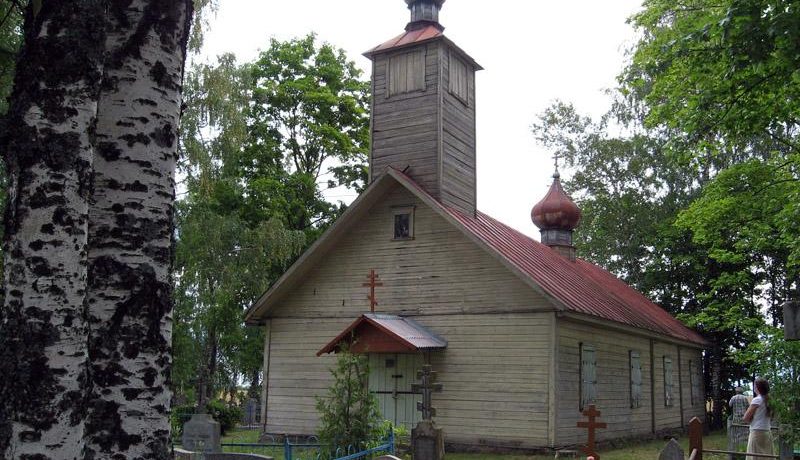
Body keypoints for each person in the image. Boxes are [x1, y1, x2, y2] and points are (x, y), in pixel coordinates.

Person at [742, 378, 773, 460]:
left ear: (757, 388)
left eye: (754, 386)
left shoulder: (757, 400)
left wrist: (750, 419)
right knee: (766, 457)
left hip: (757, 431)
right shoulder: (769, 400)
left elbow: (745, 418)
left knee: (754, 456)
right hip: (767, 431)